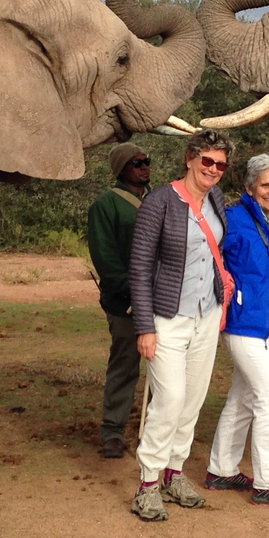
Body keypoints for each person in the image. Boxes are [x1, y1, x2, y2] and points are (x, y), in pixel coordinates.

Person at [128, 128, 235, 522]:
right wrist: (145, 327)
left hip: (206, 316)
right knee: (169, 399)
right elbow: (138, 268)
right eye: (207, 160)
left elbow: (215, 251)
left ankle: (174, 473)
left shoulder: (217, 200)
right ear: (190, 158)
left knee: (191, 400)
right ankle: (148, 484)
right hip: (166, 318)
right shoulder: (159, 202)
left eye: (221, 164)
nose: (214, 169)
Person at [205, 153, 269, 508]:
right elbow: (207, 254)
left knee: (244, 398)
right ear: (250, 187)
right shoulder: (234, 219)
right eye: (266, 184)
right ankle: (268, 482)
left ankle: (221, 469)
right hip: (244, 325)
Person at [86, 143, 152, 459]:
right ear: (121, 169)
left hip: (160, 300)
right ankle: (113, 430)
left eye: (146, 161)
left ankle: (155, 430)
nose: (144, 166)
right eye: (136, 162)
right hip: (124, 301)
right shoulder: (106, 204)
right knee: (125, 363)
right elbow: (104, 256)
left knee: (164, 368)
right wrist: (130, 292)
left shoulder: (157, 201)